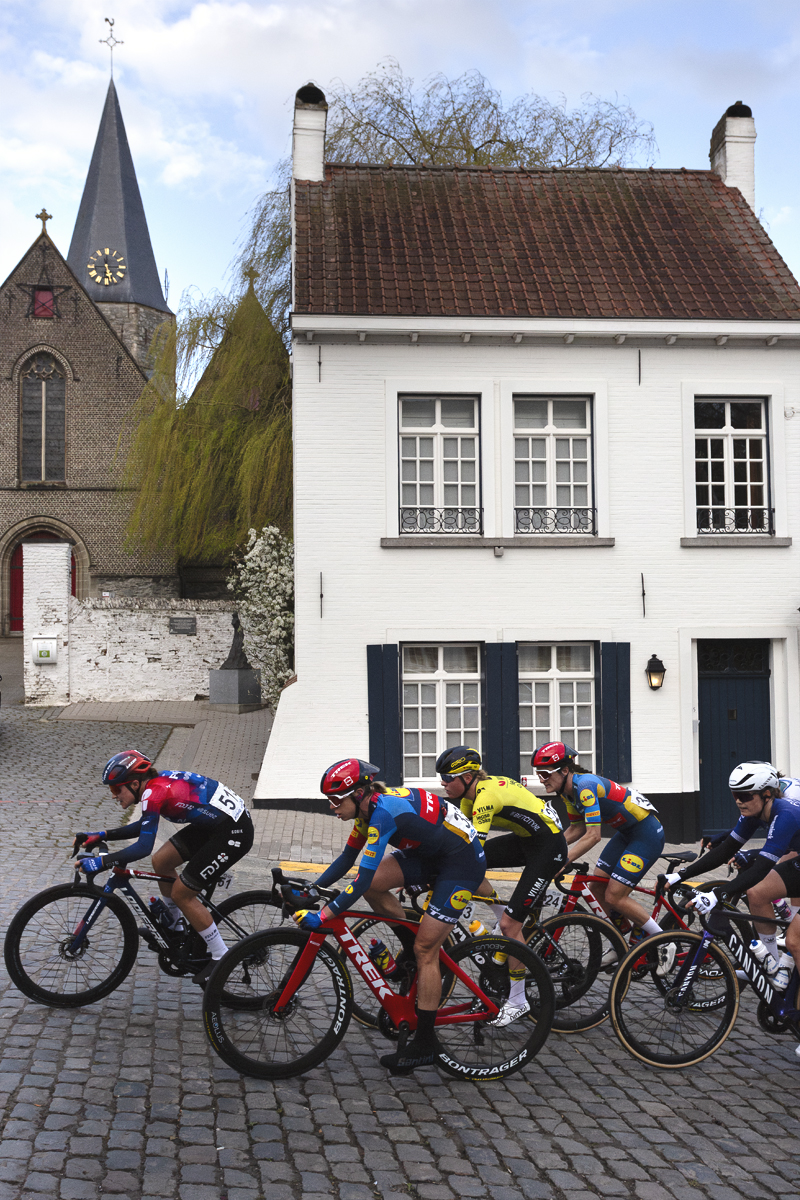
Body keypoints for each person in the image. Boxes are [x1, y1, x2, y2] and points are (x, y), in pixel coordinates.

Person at [291, 757, 486, 1075]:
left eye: (335, 799)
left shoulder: (382, 814)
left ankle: (425, 1043)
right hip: (432, 853)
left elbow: (360, 878)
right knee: (378, 888)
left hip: (460, 863)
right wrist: (311, 888)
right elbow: (346, 859)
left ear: (357, 794)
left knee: (427, 950)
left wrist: (325, 914)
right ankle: (411, 948)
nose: (331, 806)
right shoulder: (366, 810)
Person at [73, 750, 254, 982]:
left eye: (116, 788)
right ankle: (176, 927)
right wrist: (103, 834)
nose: (113, 795)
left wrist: (101, 862)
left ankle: (221, 956)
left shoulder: (154, 792)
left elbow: (142, 848)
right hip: (214, 825)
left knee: (182, 893)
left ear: (135, 783)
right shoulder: (154, 787)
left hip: (232, 832)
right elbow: (145, 824)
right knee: (162, 861)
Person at [435, 744, 568, 1026]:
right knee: (468, 864)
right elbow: (463, 844)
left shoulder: (485, 798)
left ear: (468, 777)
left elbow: (474, 854)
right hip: (526, 841)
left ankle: (518, 1001)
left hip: (549, 847)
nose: (443, 784)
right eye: (442, 779)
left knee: (511, 926)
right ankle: (500, 917)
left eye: (448, 779)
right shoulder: (470, 796)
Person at [661, 761, 800, 992]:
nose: (738, 801)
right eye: (735, 794)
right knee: (757, 893)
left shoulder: (785, 814)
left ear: (767, 794)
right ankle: (772, 966)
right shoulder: (753, 812)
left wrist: (718, 894)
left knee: (795, 941)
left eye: (744, 795)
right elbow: (725, 850)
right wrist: (680, 876)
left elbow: (762, 867)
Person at [531, 741, 665, 942]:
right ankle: (621, 941)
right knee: (596, 889)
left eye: (545, 774)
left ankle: (663, 940)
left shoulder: (584, 787)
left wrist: (564, 860)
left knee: (615, 896)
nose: (541, 780)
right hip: (626, 833)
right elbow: (577, 828)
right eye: (539, 774)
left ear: (565, 770)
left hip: (646, 834)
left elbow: (593, 835)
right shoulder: (567, 793)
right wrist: (549, 849)